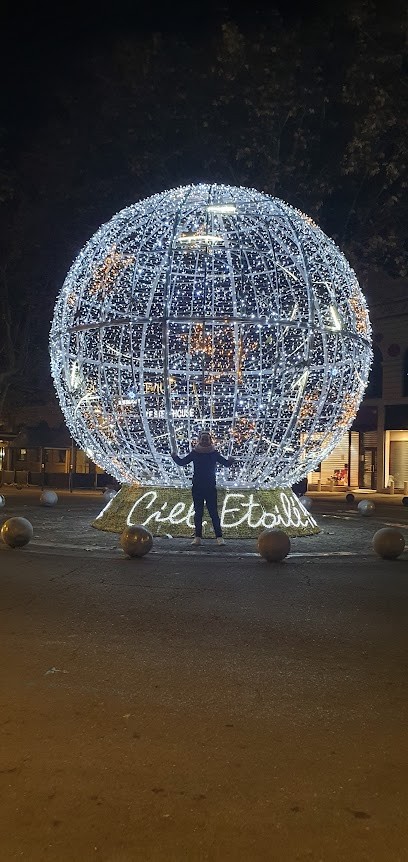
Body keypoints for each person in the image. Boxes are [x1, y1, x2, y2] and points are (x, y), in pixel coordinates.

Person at [171, 431, 234, 545]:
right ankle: (198, 537)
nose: (204, 441)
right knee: (198, 512)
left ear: (210, 440)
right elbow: (182, 462)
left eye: (206, 439)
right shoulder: (195, 453)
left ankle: (219, 537)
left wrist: (230, 460)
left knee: (213, 512)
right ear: (199, 440)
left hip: (210, 486)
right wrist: (174, 457)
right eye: (203, 439)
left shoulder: (214, 453)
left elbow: (225, 463)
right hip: (198, 486)